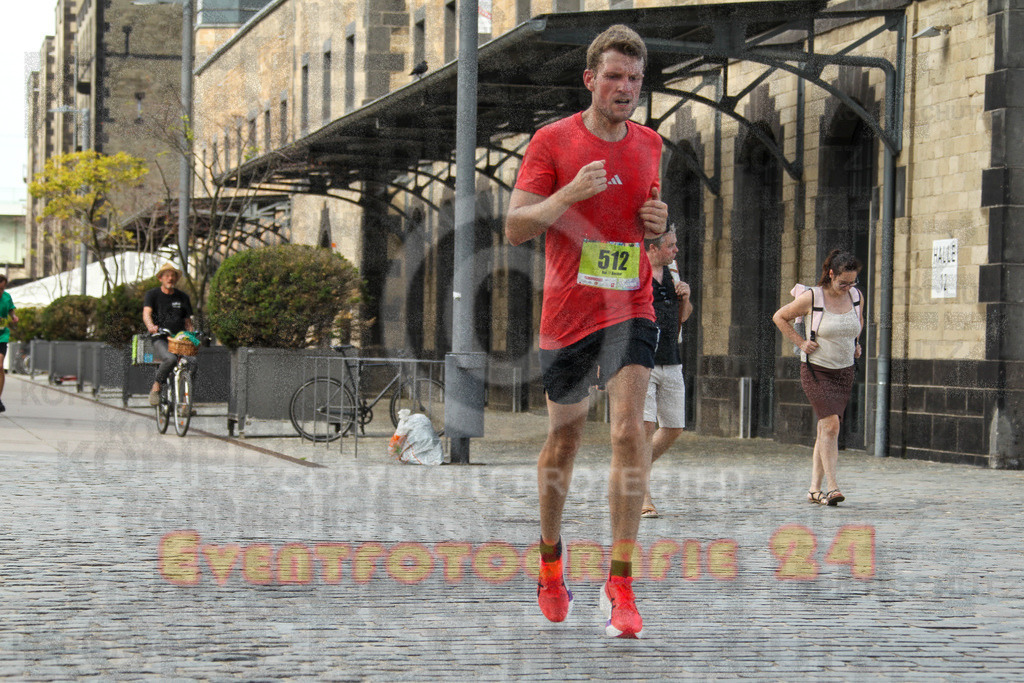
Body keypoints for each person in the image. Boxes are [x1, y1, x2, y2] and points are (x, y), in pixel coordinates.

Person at [504, 24, 668, 639]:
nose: (625, 88)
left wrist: (658, 219)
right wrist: (568, 193)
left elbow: (649, 214)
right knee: (565, 442)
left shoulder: (651, 144)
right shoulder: (552, 141)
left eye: (634, 79)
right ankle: (550, 561)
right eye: (614, 77)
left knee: (629, 432)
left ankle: (620, 582)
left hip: (630, 305)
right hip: (569, 312)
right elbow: (516, 227)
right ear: (590, 80)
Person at [772, 250, 863, 507]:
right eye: (843, 282)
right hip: (817, 370)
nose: (848, 287)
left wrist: (856, 343)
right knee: (831, 425)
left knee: (826, 428)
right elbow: (779, 316)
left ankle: (814, 489)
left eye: (852, 282)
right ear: (831, 274)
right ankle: (832, 487)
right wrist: (801, 342)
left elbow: (859, 321)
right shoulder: (813, 296)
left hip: (844, 370)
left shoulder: (856, 296)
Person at [641, 230, 692, 519]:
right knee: (646, 429)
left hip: (672, 360)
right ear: (653, 248)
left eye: (675, 244)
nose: (675, 250)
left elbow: (682, 317)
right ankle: (643, 496)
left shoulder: (672, 275)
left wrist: (685, 298)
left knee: (673, 426)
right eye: (670, 245)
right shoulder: (636, 273)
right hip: (642, 361)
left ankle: (634, 468)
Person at [143, 263, 194, 406]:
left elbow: (188, 322)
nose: (170, 278)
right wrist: (151, 326)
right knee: (170, 359)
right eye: (167, 275)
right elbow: (146, 314)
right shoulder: (152, 294)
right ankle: (156, 386)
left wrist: (192, 336)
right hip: (160, 337)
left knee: (193, 363)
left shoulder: (183, 297)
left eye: (173, 275)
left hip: (179, 339)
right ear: (160, 278)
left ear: (176, 279)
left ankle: (186, 404)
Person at [0, 274, 19, 414]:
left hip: (2, 335)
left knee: (0, 366)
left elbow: (11, 309)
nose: (1, 291)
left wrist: (13, 317)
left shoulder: (7, 297)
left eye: (3, 288)